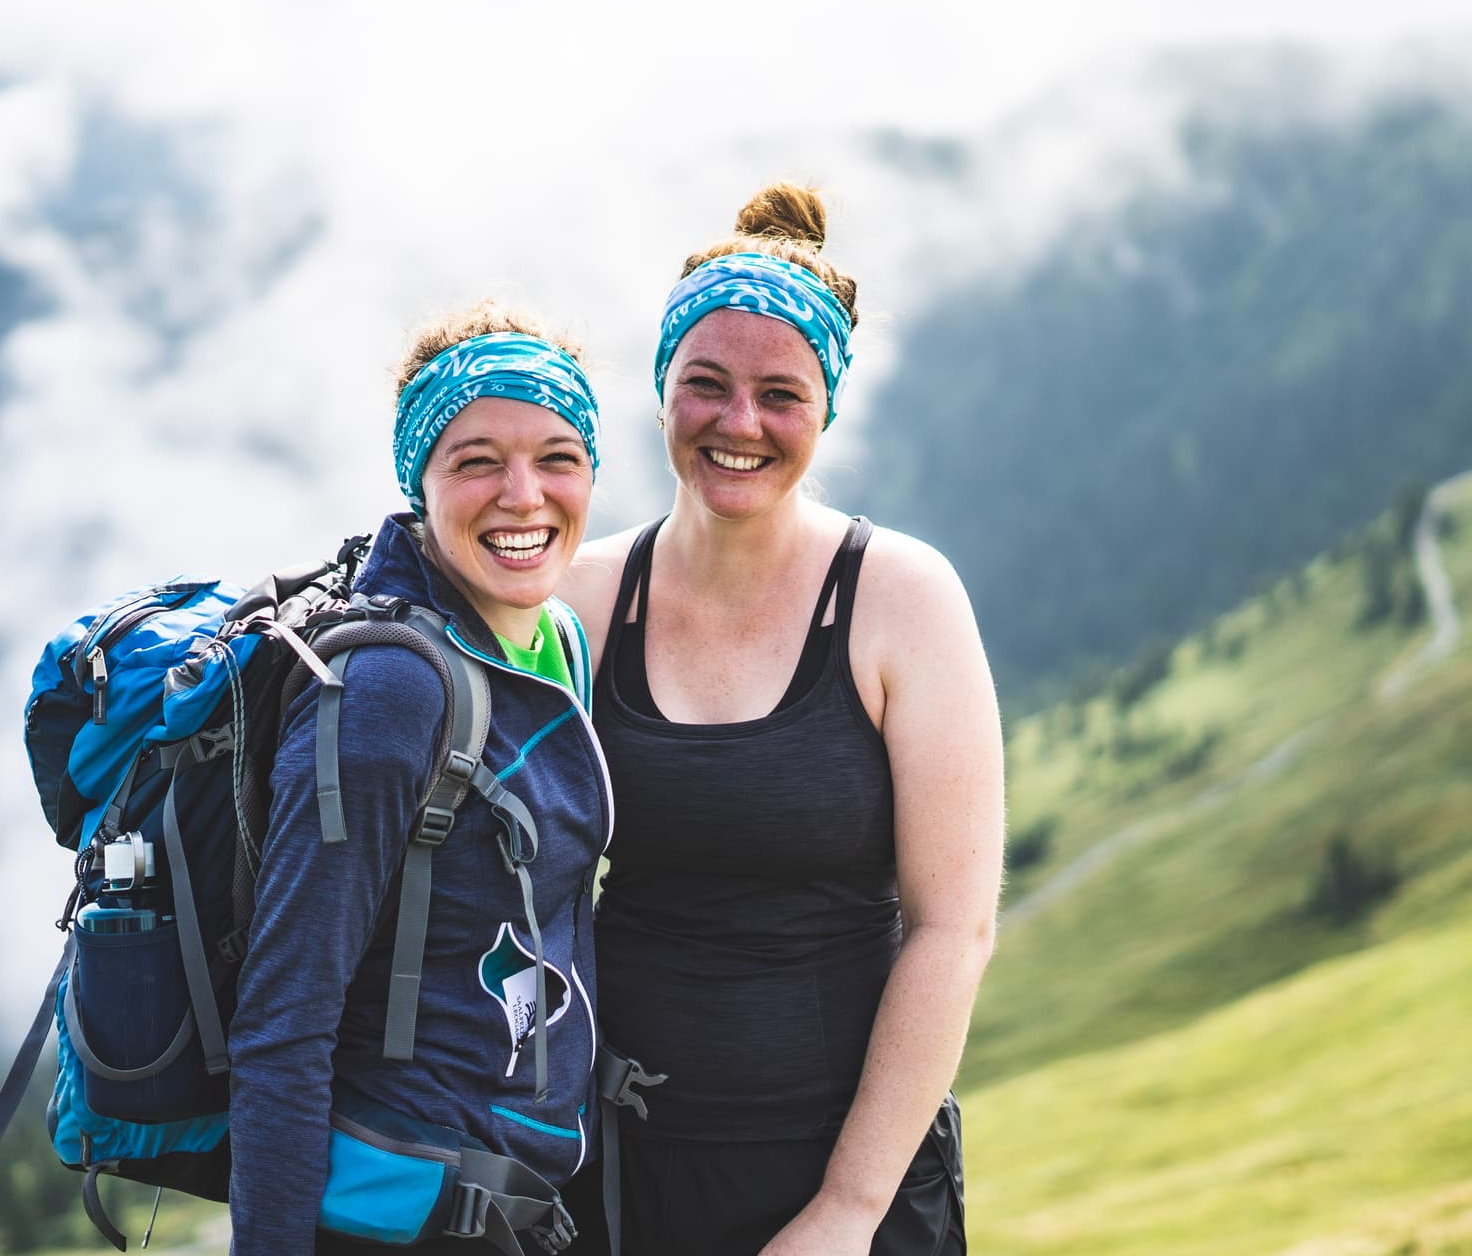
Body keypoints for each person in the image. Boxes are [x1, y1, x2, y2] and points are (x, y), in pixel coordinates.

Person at [558, 184, 1005, 1255]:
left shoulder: (903, 598)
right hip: (618, 1175)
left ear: (828, 408)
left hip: (852, 1179)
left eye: (780, 393)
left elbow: (954, 926)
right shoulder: (578, 604)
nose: (738, 423)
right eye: (704, 385)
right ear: (663, 394)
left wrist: (846, 1212)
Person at [230, 303, 612, 1255]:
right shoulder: (390, 689)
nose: (524, 495)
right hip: (401, 1219)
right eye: (477, 459)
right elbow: (282, 1022)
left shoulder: (551, 638)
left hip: (519, 1204)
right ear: (420, 481)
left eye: (557, 456)